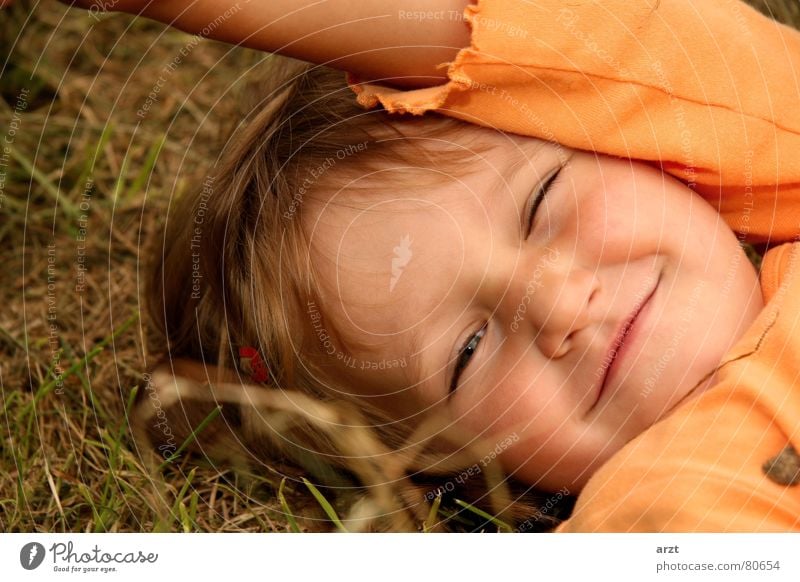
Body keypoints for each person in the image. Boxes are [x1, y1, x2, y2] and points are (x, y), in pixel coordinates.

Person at [71, 0, 800, 530]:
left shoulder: (781, 152)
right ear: (464, 471)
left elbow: (558, 43)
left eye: (541, 202)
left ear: (628, 134)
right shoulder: (661, 518)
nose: (556, 302)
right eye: (468, 352)